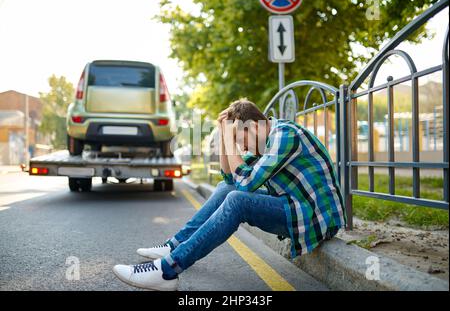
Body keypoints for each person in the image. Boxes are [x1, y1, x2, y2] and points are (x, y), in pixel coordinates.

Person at [112, 98, 346, 291]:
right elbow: (230, 179)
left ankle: (167, 270)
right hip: (295, 206)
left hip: (313, 218)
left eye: (240, 139)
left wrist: (230, 139)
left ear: (252, 126)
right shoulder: (264, 140)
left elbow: (244, 186)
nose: (242, 148)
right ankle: (174, 246)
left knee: (237, 200)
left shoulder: (285, 135)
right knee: (227, 191)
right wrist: (226, 138)